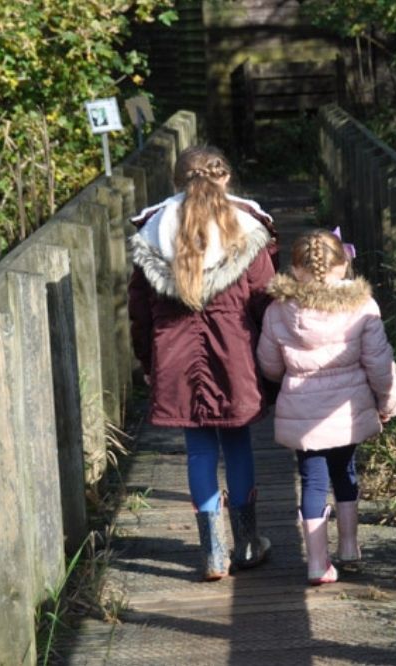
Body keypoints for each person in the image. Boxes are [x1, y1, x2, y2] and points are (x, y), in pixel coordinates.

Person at [127, 145, 277, 581]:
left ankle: (213, 553)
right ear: (225, 178)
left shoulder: (154, 232)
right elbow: (268, 301)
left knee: (198, 451)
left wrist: (146, 358)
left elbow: (138, 309)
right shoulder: (247, 229)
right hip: (235, 356)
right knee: (238, 445)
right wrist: (273, 363)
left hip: (175, 358)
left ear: (176, 182)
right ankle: (247, 544)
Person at [256, 229, 396, 585]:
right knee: (346, 471)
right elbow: (380, 365)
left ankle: (317, 564)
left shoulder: (279, 310)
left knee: (313, 480)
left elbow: (270, 365)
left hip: (304, 414)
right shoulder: (362, 307)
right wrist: (388, 402)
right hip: (347, 410)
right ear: (344, 263)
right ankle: (350, 546)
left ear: (295, 269)